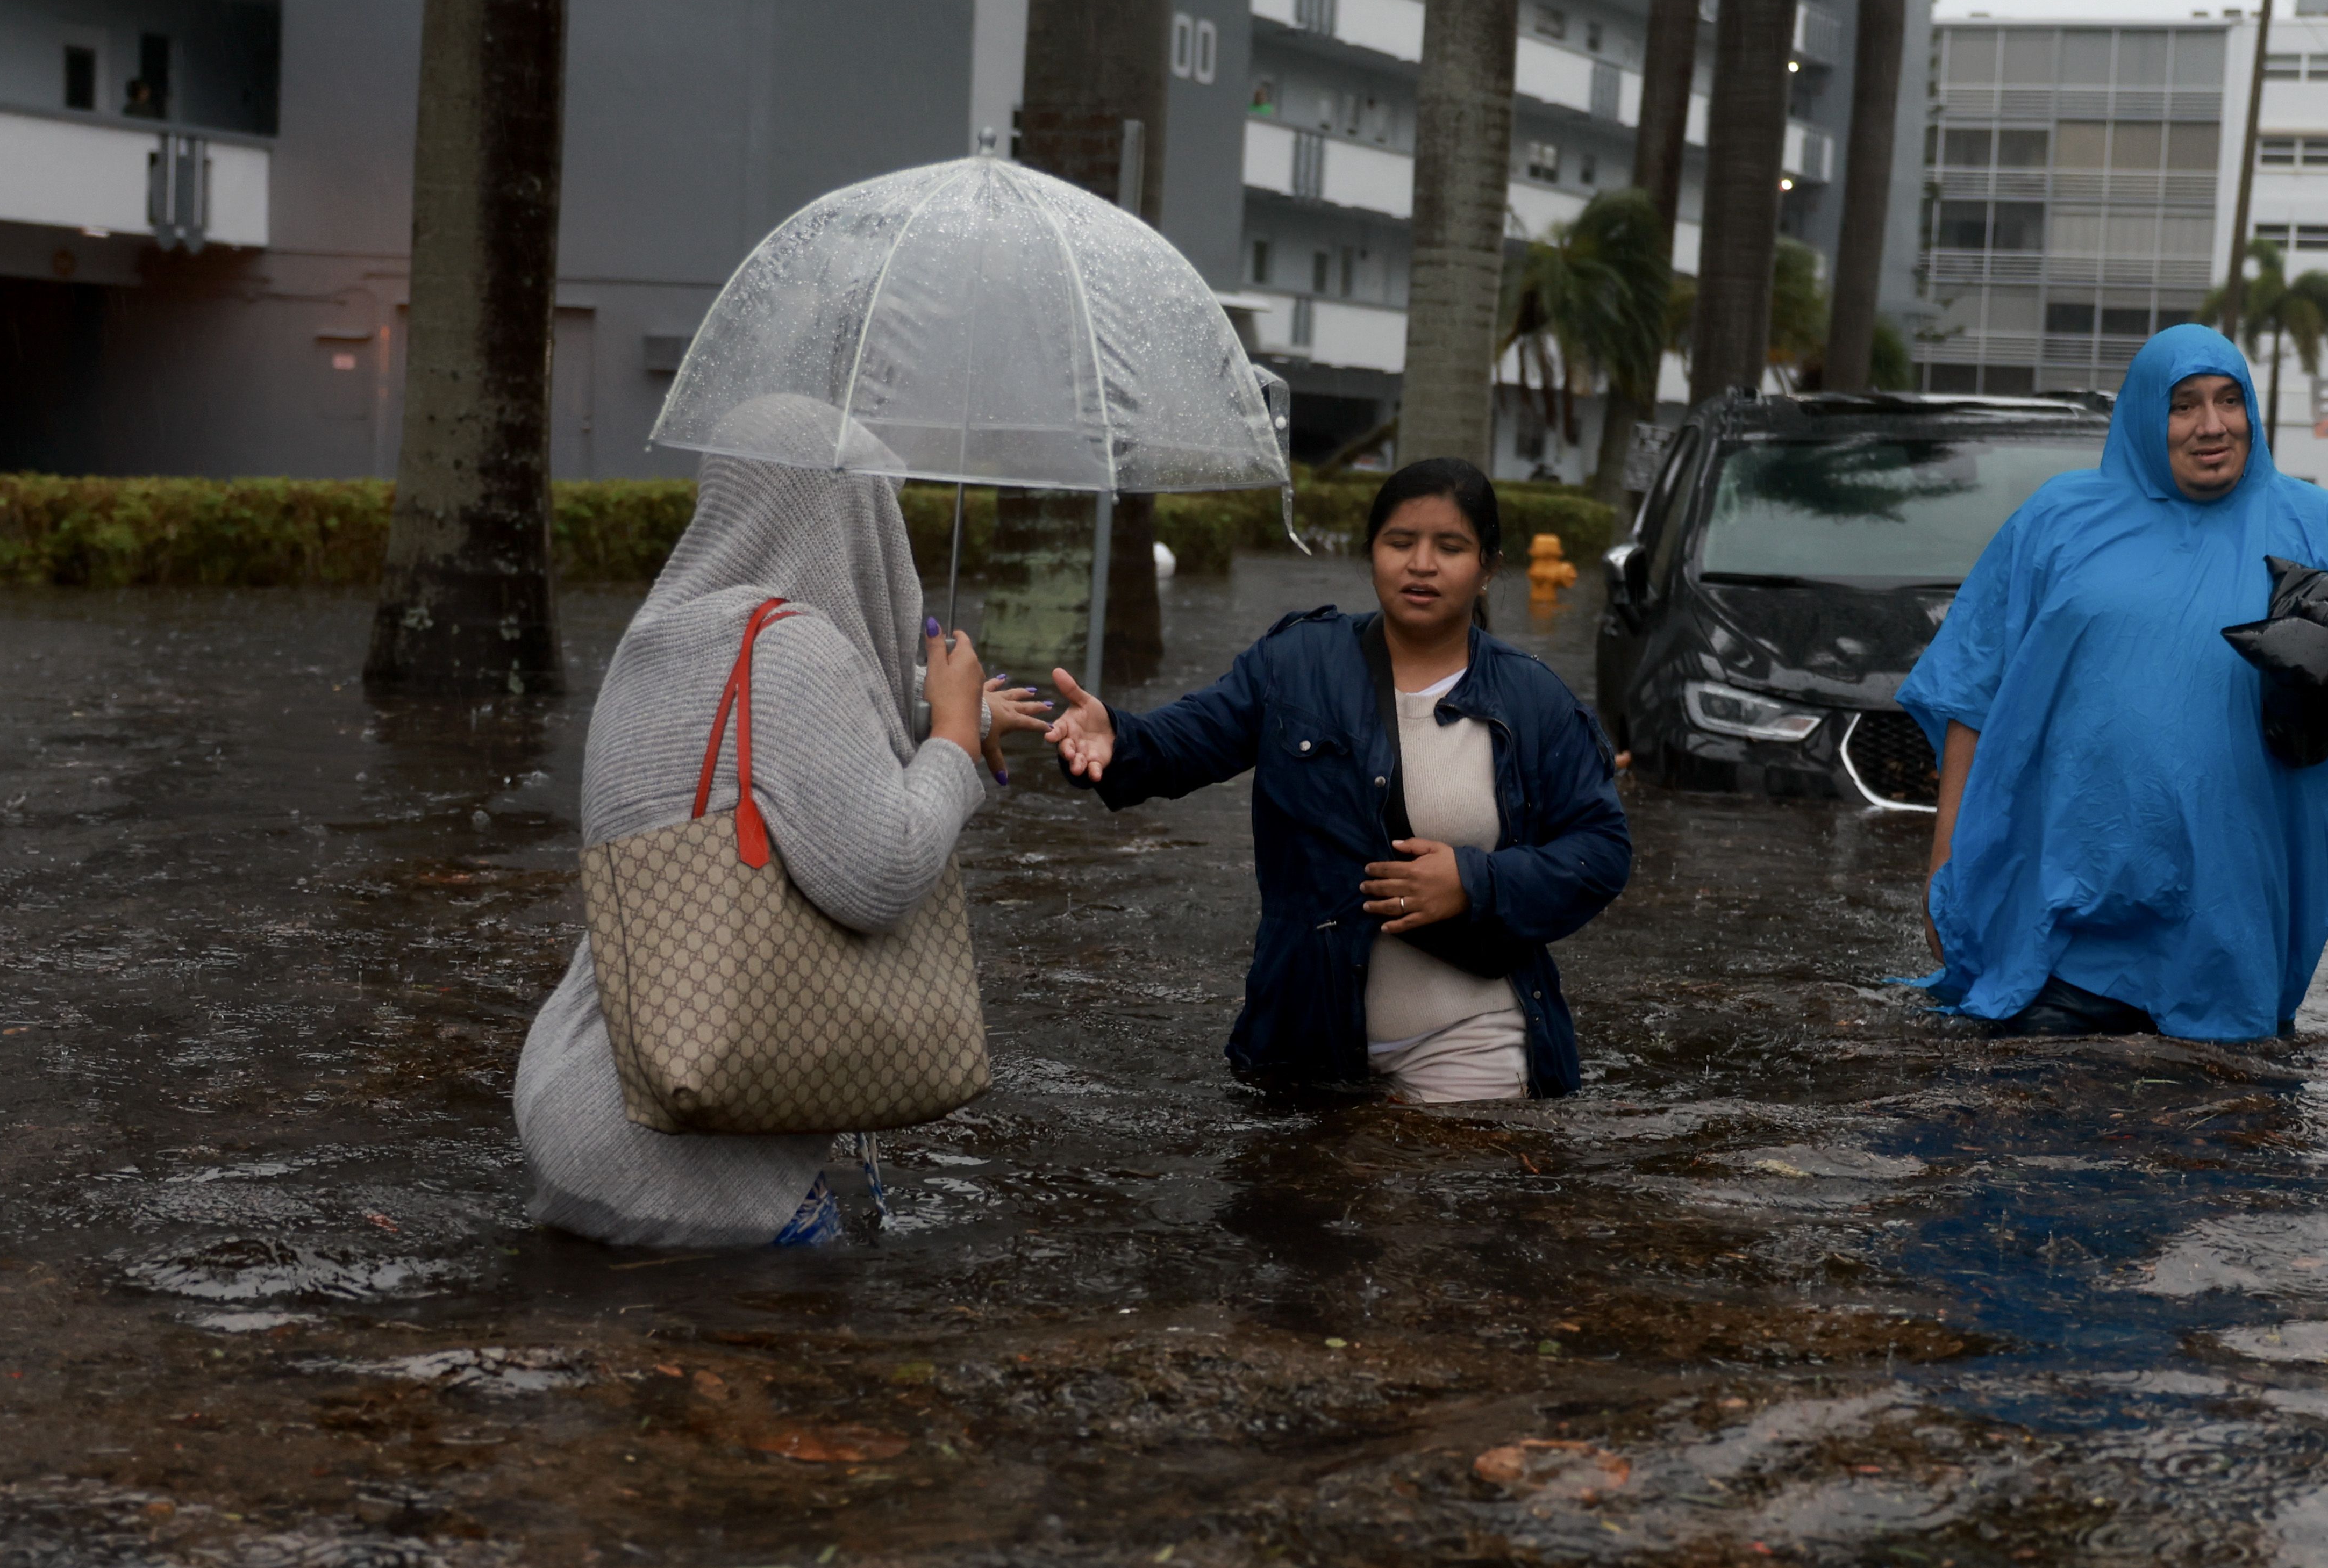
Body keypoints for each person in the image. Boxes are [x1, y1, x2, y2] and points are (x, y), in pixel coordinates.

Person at [516, 394, 1046, 1244]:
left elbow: (770, 765)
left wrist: (955, 715)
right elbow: (882, 873)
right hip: (692, 1167)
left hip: (583, 1092)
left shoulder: (666, 635)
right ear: (844, 509)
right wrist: (950, 739)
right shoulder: (797, 651)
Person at [1041, 457, 1630, 1102]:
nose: (1421, 563)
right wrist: (1113, 739)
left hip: (1474, 1039)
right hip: (1304, 1038)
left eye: (1450, 546)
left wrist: (1473, 882)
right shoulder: (1295, 664)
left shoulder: (1533, 699)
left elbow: (1600, 850)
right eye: (1400, 542)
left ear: (1488, 566)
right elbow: (1180, 745)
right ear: (1372, 552)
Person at [1899, 323, 2328, 1041]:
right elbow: (1972, 692)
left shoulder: (2318, 527)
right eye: (2184, 405)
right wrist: (1946, 860)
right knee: (2036, 1133)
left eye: (2230, 401)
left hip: (2234, 929)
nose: (2212, 426)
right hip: (2066, 928)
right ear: (2147, 413)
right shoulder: (2059, 521)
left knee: (2223, 1135)